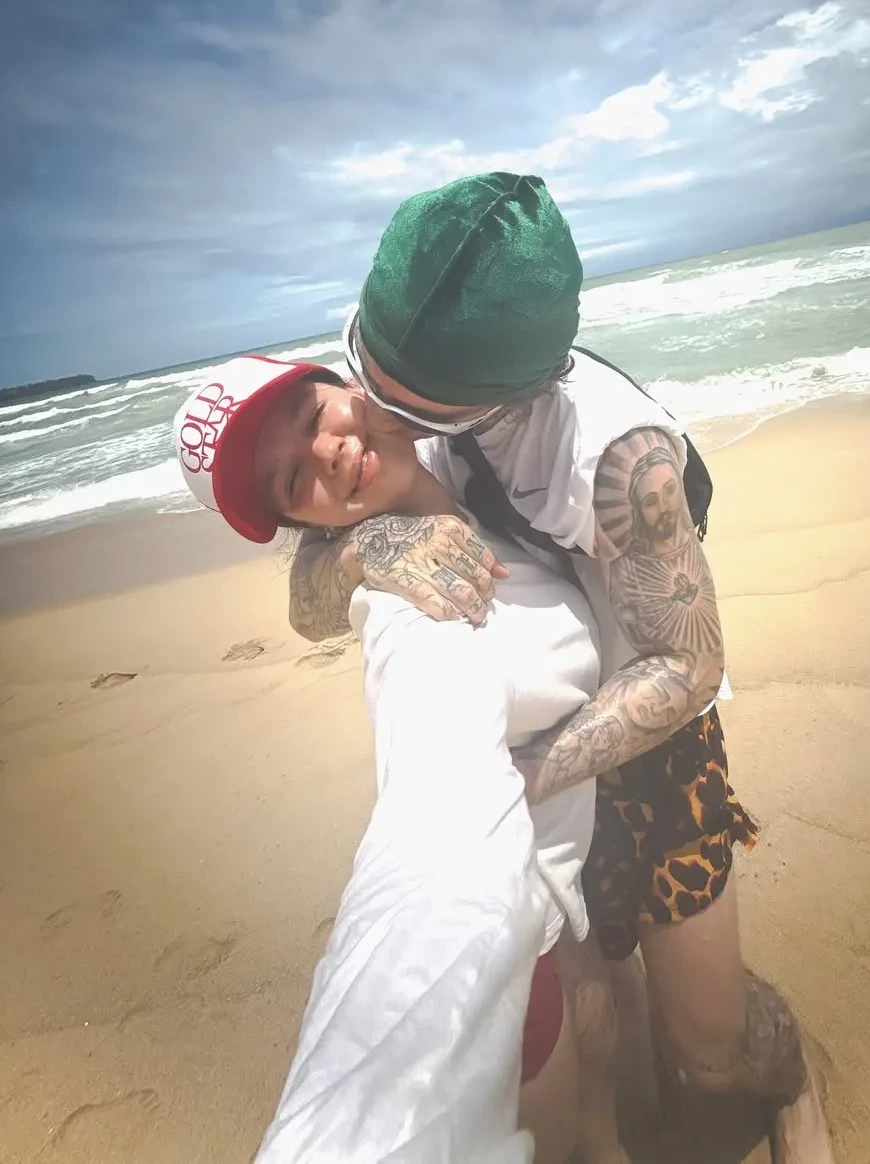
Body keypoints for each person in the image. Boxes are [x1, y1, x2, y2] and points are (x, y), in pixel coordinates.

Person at [288, 172, 835, 1163]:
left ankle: (793, 1083)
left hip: (648, 733)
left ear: (511, 393)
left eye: (409, 407)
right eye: (364, 374)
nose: (370, 417)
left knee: (712, 1040)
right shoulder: (391, 375)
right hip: (533, 719)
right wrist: (366, 547)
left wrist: (529, 775)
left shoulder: (615, 453)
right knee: (592, 1011)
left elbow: (689, 663)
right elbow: (306, 599)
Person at [173, 355, 627, 1164]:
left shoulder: (458, 447)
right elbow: (434, 813)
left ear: (350, 385)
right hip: (514, 953)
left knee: (612, 1093)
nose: (327, 452)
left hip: (581, 865)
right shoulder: (416, 616)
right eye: (292, 480)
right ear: (303, 521)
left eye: (312, 417)